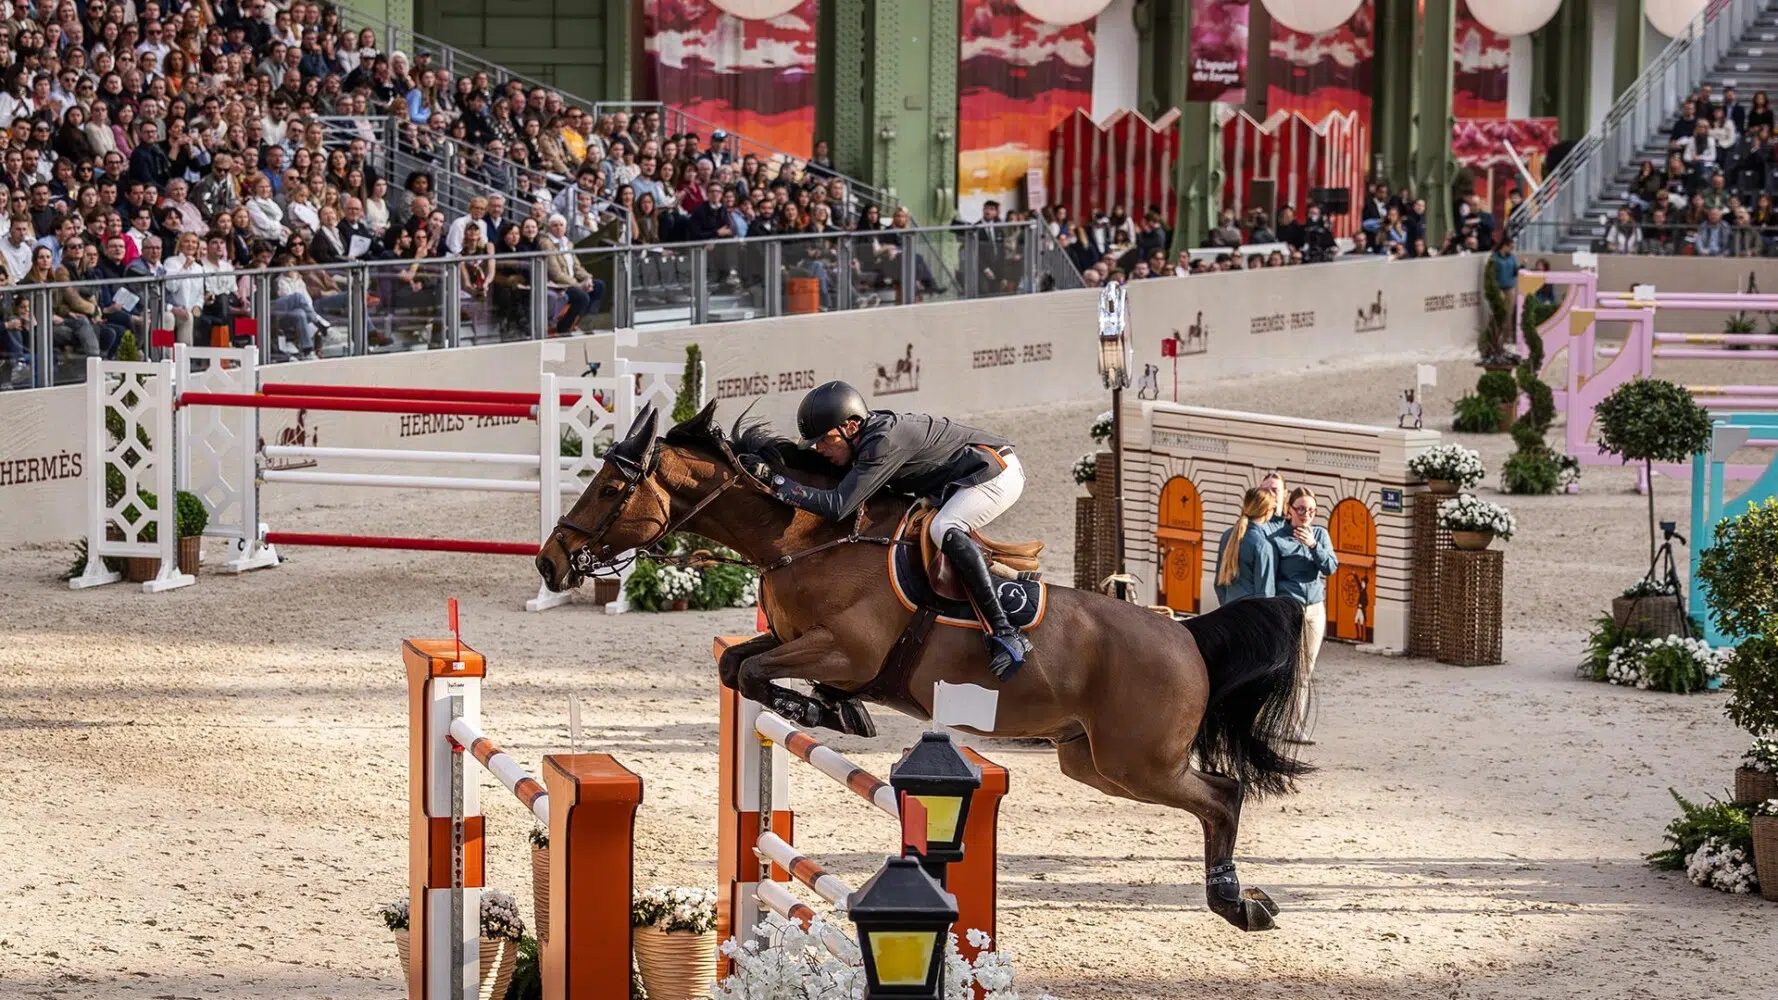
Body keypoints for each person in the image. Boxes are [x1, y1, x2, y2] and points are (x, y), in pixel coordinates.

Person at [756, 381, 1033, 679]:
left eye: (824, 439)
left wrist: (779, 483)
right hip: (954, 481)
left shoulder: (882, 443)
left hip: (994, 474)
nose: (819, 448)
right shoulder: (863, 440)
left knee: (945, 527)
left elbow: (838, 506)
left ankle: (1005, 631)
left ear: (850, 427)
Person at [1272, 487, 1337, 745]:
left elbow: (1330, 566)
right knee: (1288, 667)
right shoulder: (1278, 538)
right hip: (1290, 608)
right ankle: (1282, 722)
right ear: (1289, 511)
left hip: (1315, 608)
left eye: (1311, 510)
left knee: (1305, 669)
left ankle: (1291, 724)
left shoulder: (1320, 534)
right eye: (1300, 509)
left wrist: (1313, 546)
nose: (1306, 514)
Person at [1213, 487, 1278, 606]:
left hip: (1228, 611)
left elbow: (1218, 584)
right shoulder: (1262, 545)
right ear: (1267, 511)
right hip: (1251, 615)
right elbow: (1264, 593)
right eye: (1274, 508)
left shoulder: (1227, 535)